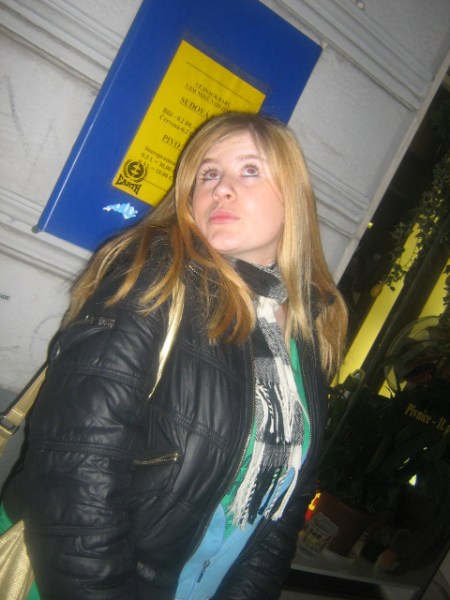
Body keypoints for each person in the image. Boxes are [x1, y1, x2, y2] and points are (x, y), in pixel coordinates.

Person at [2, 111, 347, 599]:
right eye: (208, 174)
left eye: (250, 170)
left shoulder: (306, 330)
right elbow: (75, 470)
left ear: (293, 198)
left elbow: (282, 513)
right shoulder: (158, 274)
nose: (221, 189)